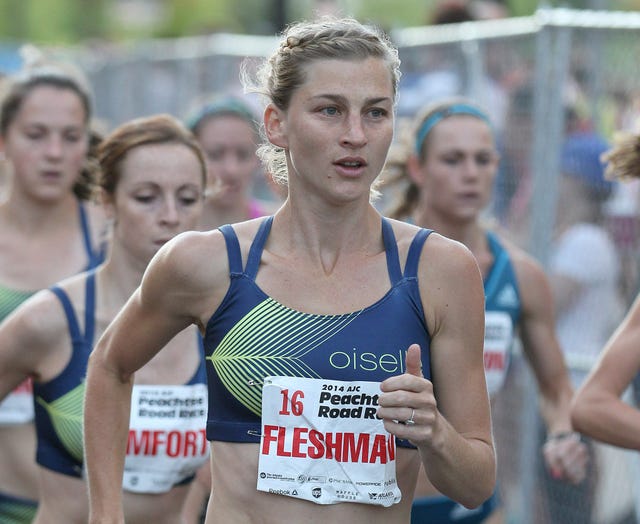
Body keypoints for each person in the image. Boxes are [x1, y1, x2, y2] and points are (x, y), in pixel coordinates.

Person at [83, 17, 496, 524]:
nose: (355, 135)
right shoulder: (206, 263)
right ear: (277, 123)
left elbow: (476, 485)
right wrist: (106, 513)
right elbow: (110, 366)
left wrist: (435, 433)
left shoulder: (439, 270)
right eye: (330, 110)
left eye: (376, 113)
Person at [384, 98, 589, 523]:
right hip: (381, 501)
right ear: (418, 169)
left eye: (483, 159)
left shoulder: (521, 275)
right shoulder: (376, 263)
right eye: (453, 160)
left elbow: (554, 388)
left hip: (471, 504)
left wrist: (564, 432)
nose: (471, 174)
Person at [0, 113, 209, 523]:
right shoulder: (53, 319)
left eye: (187, 198)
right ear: (107, 200)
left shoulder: (219, 324)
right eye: (147, 197)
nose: (170, 216)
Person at [0, 61, 107, 522]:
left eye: (70, 136)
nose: (54, 152)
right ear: (4, 140)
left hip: (87, 508)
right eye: (36, 134)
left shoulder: (111, 239)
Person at [185, 93, 280, 230]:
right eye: (215, 154)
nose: (231, 170)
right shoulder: (172, 231)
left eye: (243, 154)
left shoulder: (277, 229)